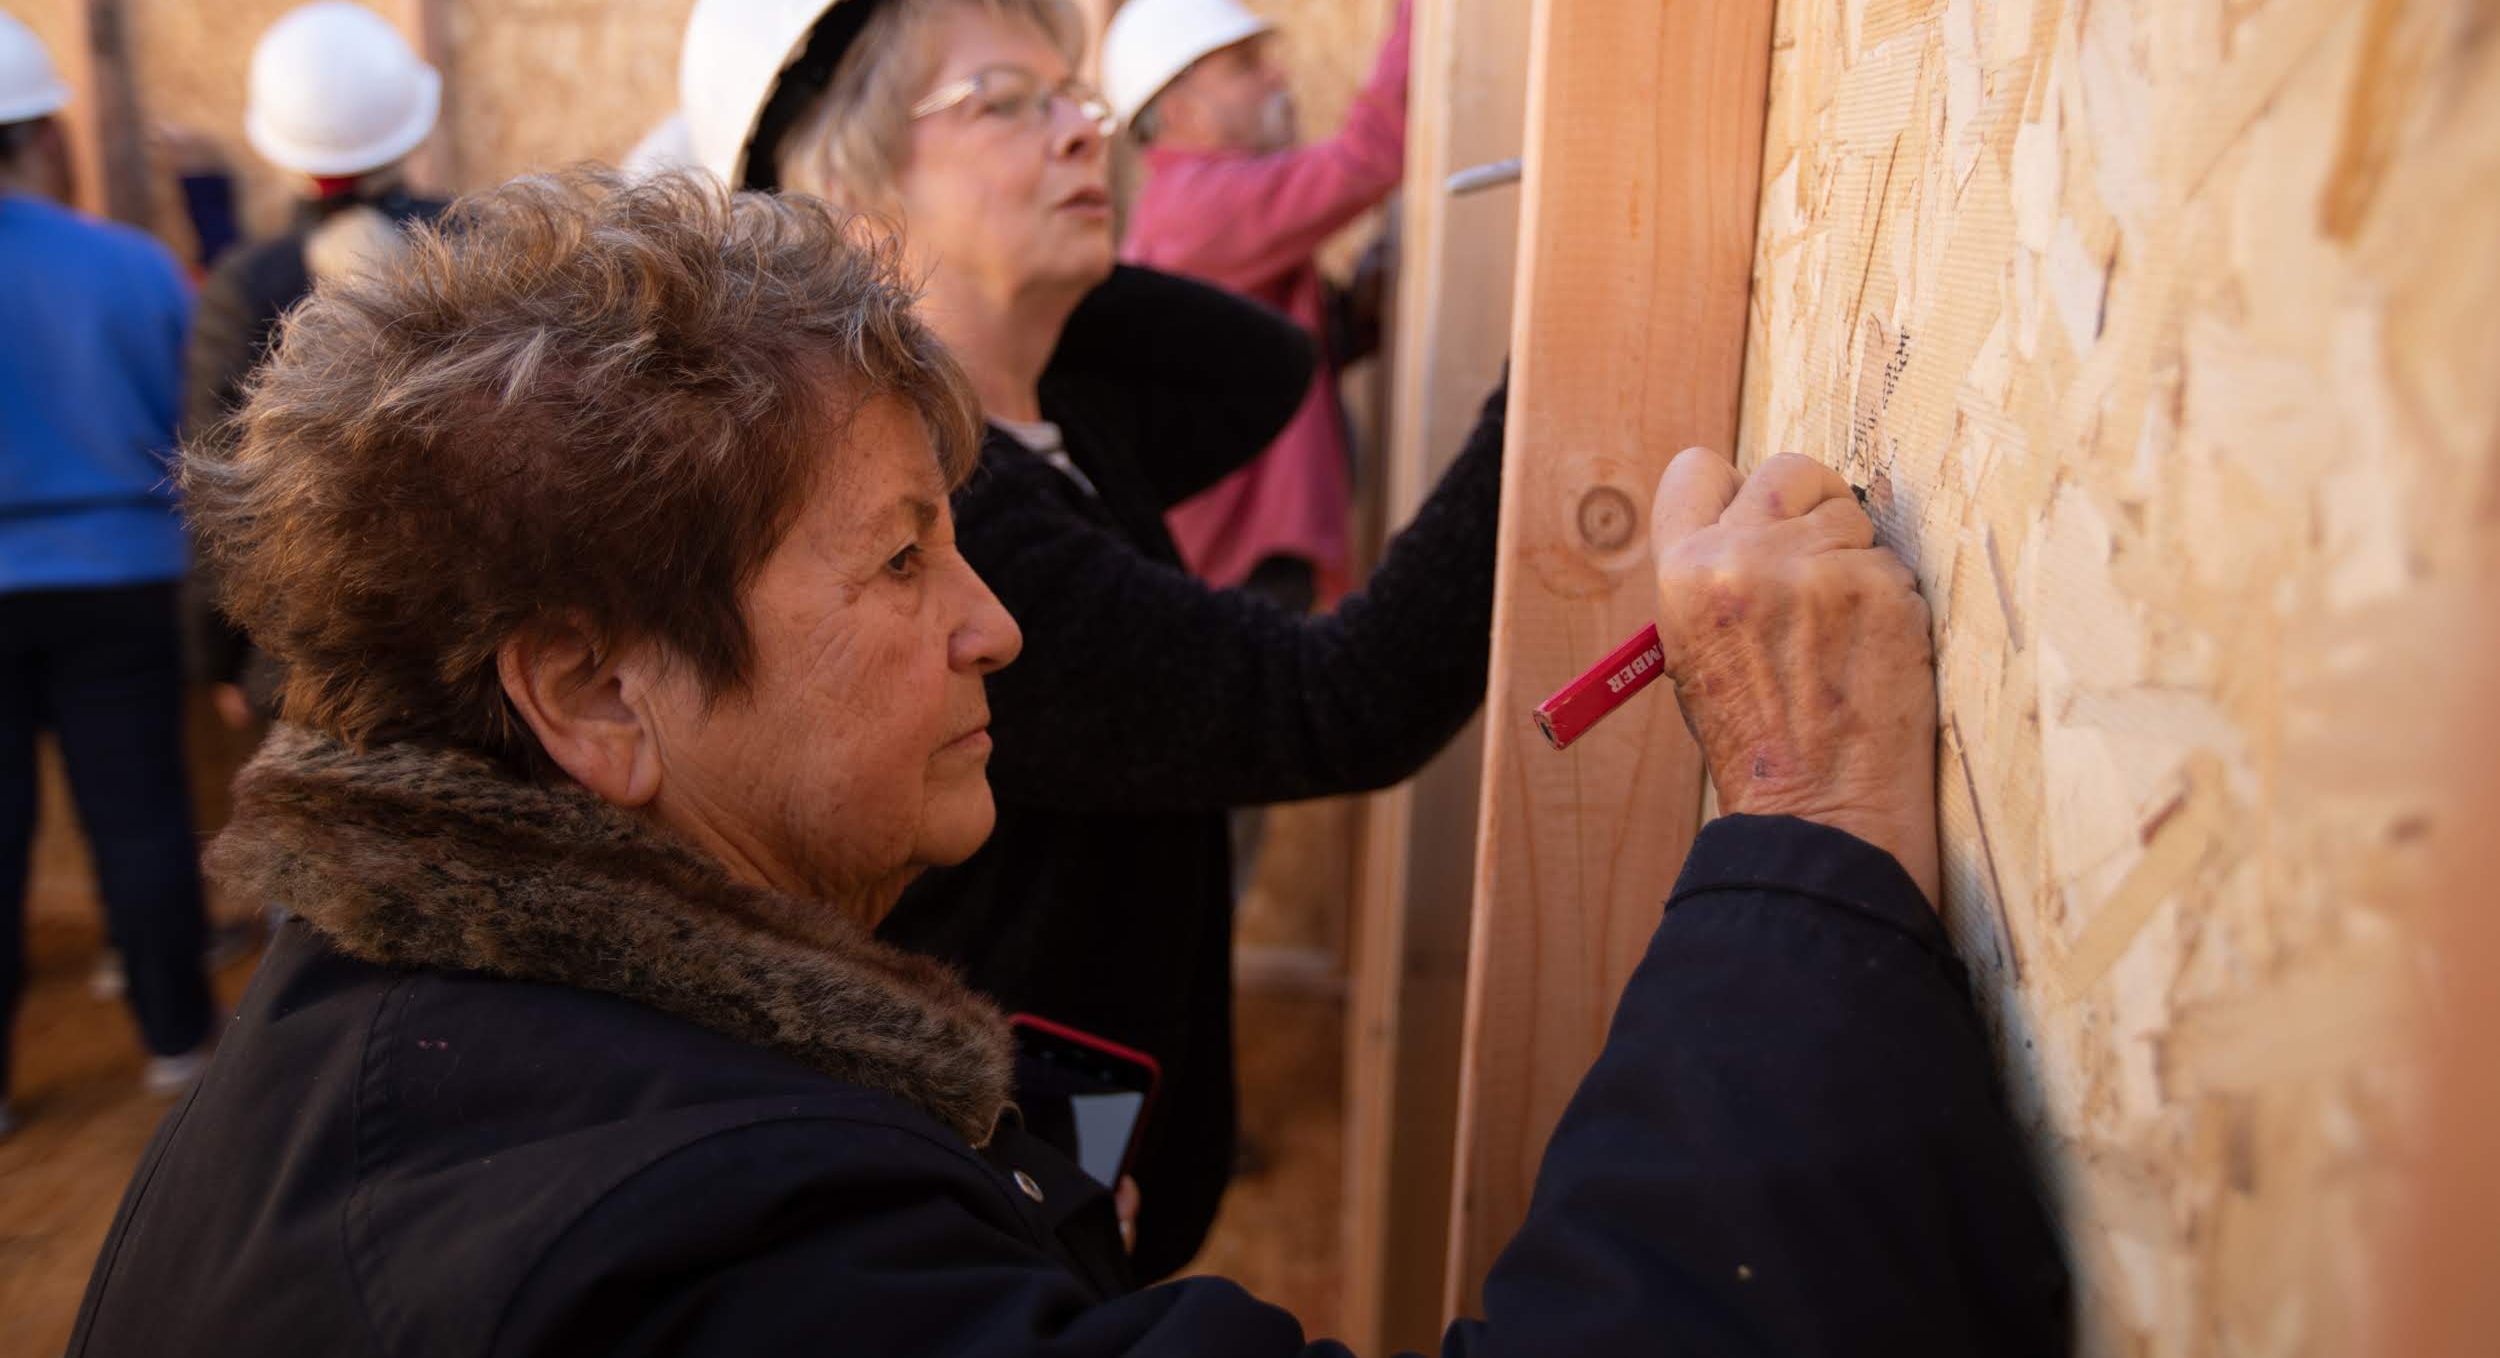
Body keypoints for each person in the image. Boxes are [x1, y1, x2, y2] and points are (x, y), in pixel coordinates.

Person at [70, 170, 2068, 1354]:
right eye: (895, 557)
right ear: (593, 693)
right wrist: (1799, 827)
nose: (995, 623)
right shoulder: (707, 1255)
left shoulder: (366, 1043)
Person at [678, 0, 1501, 1275]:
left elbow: (1261, 372)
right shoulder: (955, 520)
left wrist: (993, 312)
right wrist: (1564, 386)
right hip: (1007, 1192)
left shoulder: (1055, 417)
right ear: (845, 194)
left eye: (1075, 98)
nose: (1084, 132)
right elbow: (1342, 700)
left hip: (1087, 1129)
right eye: (1005, 103)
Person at [0, 11, 219, 1137]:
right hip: (121, 576)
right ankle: (177, 1041)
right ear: (38, 132)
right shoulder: (130, 268)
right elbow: (200, 420)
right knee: (138, 815)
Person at [1103, 0, 1410, 614]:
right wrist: (1420, 7)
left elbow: (1251, 352)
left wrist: (1350, 322)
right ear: (1180, 110)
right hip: (1239, 564)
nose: (1275, 79)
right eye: (1243, 68)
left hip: (1240, 554)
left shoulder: (1195, 205)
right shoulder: (1200, 206)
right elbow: (1367, 161)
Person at [181, 0, 446, 728]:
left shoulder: (246, 284)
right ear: (411, 120)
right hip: (477, 650)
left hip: (306, 670)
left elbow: (216, 489)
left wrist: (224, 664)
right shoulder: (487, 244)